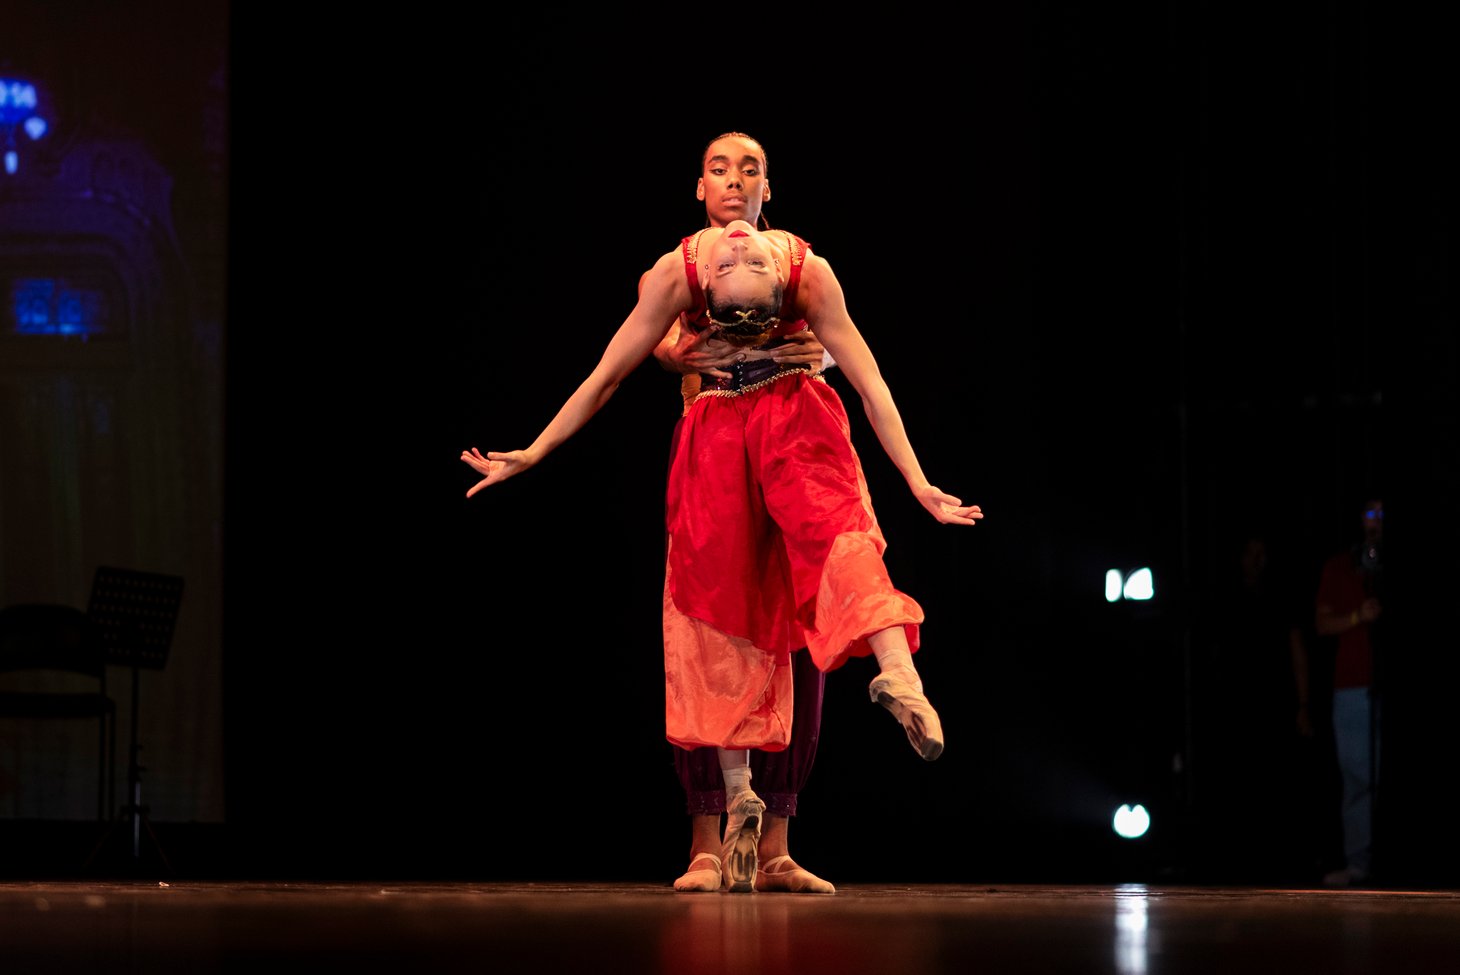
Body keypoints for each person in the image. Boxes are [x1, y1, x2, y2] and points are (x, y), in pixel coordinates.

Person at [461, 198, 982, 894]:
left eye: (750, 170)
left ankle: (855, 732)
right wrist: (535, 449)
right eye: (719, 170)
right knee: (720, 612)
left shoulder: (806, 272)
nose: (737, 239)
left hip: (791, 417)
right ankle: (731, 809)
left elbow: (867, 376)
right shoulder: (675, 273)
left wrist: (917, 479)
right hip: (718, 434)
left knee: (835, 554)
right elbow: (607, 373)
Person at [648, 133, 839, 895]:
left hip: (787, 460)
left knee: (795, 634)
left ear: (769, 189)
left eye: (749, 169)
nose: (734, 180)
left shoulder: (791, 264)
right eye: (719, 169)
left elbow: (835, 338)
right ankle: (705, 841)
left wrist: (820, 354)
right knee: (706, 633)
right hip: (713, 466)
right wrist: (672, 352)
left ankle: (775, 847)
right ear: (700, 187)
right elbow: (653, 335)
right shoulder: (689, 265)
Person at [1312, 497, 1384, 887]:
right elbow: (1321, 624)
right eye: (1370, 513)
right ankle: (1359, 863)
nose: (1376, 521)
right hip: (1352, 687)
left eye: (1382, 513)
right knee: (1356, 777)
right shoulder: (1339, 566)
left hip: (1383, 683)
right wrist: (1359, 616)